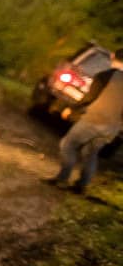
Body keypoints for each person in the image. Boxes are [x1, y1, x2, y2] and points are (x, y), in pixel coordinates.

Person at [48, 47, 123, 193]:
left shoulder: (104, 76)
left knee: (68, 144)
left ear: (112, 56)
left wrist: (72, 109)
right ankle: (81, 186)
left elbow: (90, 98)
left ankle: (62, 178)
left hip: (93, 120)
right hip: (111, 128)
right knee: (91, 153)